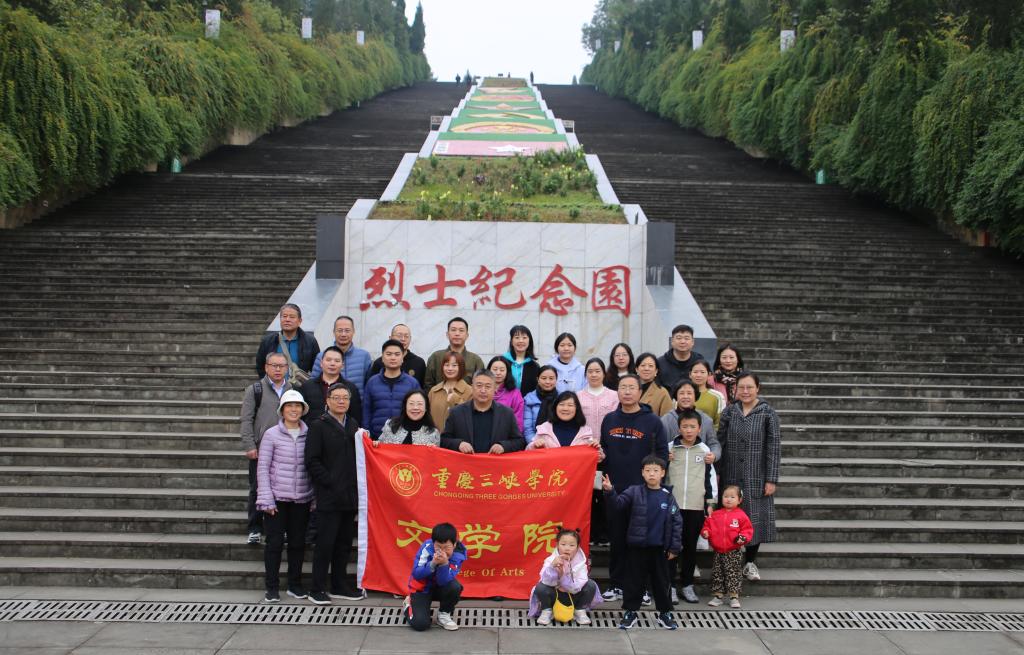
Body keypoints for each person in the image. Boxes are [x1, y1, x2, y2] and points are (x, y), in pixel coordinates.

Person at [599, 374, 669, 602]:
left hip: (644, 491)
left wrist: (653, 481)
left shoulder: (653, 421)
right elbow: (603, 451)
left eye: (632, 388)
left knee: (642, 541)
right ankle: (617, 584)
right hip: (614, 490)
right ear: (617, 392)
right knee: (617, 539)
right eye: (623, 387)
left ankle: (642, 588)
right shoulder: (609, 419)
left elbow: (662, 455)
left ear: (640, 392)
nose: (627, 392)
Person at [601, 455, 681, 631]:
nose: (652, 474)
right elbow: (618, 505)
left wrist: (674, 548)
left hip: (660, 549)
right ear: (642, 473)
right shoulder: (634, 491)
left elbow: (677, 523)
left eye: (655, 470)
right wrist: (610, 491)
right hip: (637, 548)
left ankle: (665, 614)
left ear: (662, 473)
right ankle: (630, 612)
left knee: (662, 583)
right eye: (648, 470)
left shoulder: (668, 496)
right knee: (633, 582)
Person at [304, 383, 365, 604]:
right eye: (336, 397)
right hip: (329, 496)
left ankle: (339, 585)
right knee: (325, 544)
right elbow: (312, 460)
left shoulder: (353, 425)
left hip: (350, 496)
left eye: (345, 398)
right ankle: (317, 588)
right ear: (327, 400)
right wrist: (329, 481)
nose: (341, 401)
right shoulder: (318, 425)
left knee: (344, 544)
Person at [717, 372, 780, 582]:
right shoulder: (729, 412)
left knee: (754, 519)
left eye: (750, 387)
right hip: (731, 472)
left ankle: (750, 562)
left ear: (757, 388)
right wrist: (716, 472)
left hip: (756, 473)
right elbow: (720, 441)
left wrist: (771, 479)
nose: (745, 391)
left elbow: (773, 447)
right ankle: (729, 563)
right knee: (730, 519)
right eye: (741, 387)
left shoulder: (768, 413)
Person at [257, 389, 314, 602]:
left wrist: (314, 497)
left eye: (297, 406)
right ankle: (271, 587)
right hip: (277, 499)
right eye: (289, 406)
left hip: (302, 498)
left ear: (303, 409)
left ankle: (294, 585)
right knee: (274, 544)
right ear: (282, 410)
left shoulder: (310, 434)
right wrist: (266, 498)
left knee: (298, 544)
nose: (293, 409)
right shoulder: (271, 434)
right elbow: (263, 468)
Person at [668, 409, 717, 604]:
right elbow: (661, 474)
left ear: (699, 428)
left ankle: (687, 585)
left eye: (692, 427)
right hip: (673, 507)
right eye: (685, 426)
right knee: (672, 547)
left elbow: (710, 479)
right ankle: (670, 586)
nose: (688, 430)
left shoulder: (705, 451)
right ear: (679, 428)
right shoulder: (670, 449)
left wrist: (710, 502)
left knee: (690, 547)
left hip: (695, 506)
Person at [240, 352, 289, 545]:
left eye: (281, 366)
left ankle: (278, 528)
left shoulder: (292, 389)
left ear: (287, 368)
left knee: (281, 489)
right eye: (274, 365)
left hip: (285, 448)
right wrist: (249, 445)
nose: (277, 369)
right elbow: (246, 419)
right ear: (266, 367)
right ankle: (255, 528)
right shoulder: (255, 390)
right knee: (257, 488)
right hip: (261, 448)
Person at [440, 370, 525, 454]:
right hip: (466, 462)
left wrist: (503, 446)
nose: (483, 390)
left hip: (494, 462)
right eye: (479, 386)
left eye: (488, 386)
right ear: (472, 387)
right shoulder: (456, 412)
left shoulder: (507, 413)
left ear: (495, 389)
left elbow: (519, 441)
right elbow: (444, 440)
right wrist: (459, 444)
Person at [529, 527, 601, 626]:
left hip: (573, 595)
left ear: (577, 547)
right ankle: (547, 611)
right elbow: (545, 581)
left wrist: (563, 578)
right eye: (563, 544)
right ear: (557, 545)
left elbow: (578, 586)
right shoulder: (550, 560)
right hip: (555, 595)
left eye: (572, 545)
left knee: (590, 585)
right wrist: (552, 567)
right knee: (540, 587)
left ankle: (579, 610)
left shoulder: (581, 564)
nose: (567, 548)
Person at [406, 522, 467, 631]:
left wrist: (444, 564)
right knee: (420, 624)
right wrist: (432, 564)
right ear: (433, 543)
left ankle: (443, 614)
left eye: (447, 547)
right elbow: (416, 574)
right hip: (421, 589)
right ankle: (408, 604)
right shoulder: (426, 548)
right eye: (438, 547)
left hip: (439, 587)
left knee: (455, 587)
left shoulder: (458, 555)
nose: (442, 551)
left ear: (454, 544)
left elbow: (443, 581)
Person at [701, 485, 754, 608]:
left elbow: (747, 530)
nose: (728, 499)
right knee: (717, 573)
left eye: (732, 497)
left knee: (733, 574)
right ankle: (718, 596)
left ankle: (734, 597)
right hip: (718, 551)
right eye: (725, 496)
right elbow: (707, 526)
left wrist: (742, 538)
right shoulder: (716, 514)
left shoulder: (741, 515)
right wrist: (705, 532)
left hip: (734, 551)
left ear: (739, 500)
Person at [363, 339, 420, 438]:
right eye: (388, 354)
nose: (393, 357)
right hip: (376, 438)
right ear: (382, 358)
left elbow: (418, 410)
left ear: (402, 358)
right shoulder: (372, 382)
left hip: (404, 438)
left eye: (397, 354)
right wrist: (367, 434)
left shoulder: (412, 383)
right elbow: (366, 411)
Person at [299, 346, 362, 427]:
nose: (332, 364)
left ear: (342, 365)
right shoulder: (307, 386)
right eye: (328, 360)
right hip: (311, 432)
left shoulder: (350, 388)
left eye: (337, 361)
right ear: (321, 363)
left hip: (341, 432)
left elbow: (356, 417)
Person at [254, 304, 320, 380]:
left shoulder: (310, 342)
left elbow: (317, 368)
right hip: (274, 386)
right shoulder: (268, 341)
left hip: (300, 386)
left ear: (300, 321)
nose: (287, 319)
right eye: (284, 316)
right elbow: (260, 366)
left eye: (292, 317)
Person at [311, 316, 372, 397]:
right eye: (340, 330)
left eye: (347, 330)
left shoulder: (364, 356)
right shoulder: (322, 356)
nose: (343, 334)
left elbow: (369, 385)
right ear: (333, 332)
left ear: (353, 332)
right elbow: (313, 384)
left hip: (356, 402)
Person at [661, 381, 720, 464]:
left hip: (699, 467)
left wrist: (714, 455)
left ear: (695, 396)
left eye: (689, 393)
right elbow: (660, 445)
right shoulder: (665, 420)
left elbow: (714, 443)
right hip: (673, 468)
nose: (685, 397)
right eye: (681, 393)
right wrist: (665, 454)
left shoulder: (706, 420)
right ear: (676, 396)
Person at [527, 391, 602, 454]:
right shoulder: (544, 429)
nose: (565, 408)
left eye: (570, 405)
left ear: (577, 408)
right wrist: (534, 446)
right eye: (561, 404)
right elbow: (528, 452)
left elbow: (598, 457)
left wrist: (596, 448)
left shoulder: (585, 432)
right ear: (555, 407)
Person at [424, 317, 485, 388]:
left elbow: (479, 386)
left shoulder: (476, 360)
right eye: (453, 330)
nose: (457, 333)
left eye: (461, 330)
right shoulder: (436, 357)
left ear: (467, 335)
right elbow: (428, 385)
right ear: (447, 334)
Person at [427, 350, 472, 431]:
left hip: (458, 438)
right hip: (435, 437)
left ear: (461, 368)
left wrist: (456, 400)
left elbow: (471, 416)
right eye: (447, 365)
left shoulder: (469, 391)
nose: (450, 369)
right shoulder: (434, 391)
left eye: (454, 365)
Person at [655, 324, 704, 391]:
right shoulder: (660, 363)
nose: (682, 341)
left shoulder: (699, 362)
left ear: (692, 342)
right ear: (672, 341)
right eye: (679, 338)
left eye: (686, 338)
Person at [578, 358, 618, 436]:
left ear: (604, 374)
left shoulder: (614, 396)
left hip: (608, 440)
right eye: (590, 372)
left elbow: (616, 421)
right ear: (585, 374)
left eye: (597, 371)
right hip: (584, 441)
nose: (594, 375)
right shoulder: (578, 396)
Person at [489, 356, 525, 432]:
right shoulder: (482, 391)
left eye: (502, 370)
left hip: (506, 434)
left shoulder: (515, 394)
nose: (498, 373)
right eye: (495, 369)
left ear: (507, 372)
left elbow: (518, 422)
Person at [523, 365, 558, 443]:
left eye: (551, 378)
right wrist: (534, 442)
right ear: (538, 379)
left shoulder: (561, 398)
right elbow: (527, 429)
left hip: (557, 443)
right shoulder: (529, 399)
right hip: (535, 442)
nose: (547, 382)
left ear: (556, 380)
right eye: (544, 378)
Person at [503, 325, 540, 395]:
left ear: (529, 341)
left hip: (526, 401)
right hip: (504, 401)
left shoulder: (534, 366)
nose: (521, 341)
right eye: (517, 337)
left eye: (524, 338)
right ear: (511, 341)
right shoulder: (503, 362)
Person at [690, 360, 725, 430]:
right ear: (690, 374)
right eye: (695, 372)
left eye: (702, 372)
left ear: (709, 374)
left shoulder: (717, 396)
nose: (698, 375)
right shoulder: (682, 395)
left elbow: (720, 423)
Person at [636, 352, 673, 416]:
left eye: (650, 366)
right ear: (637, 369)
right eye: (643, 365)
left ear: (656, 371)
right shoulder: (629, 389)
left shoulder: (662, 393)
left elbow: (667, 419)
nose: (646, 369)